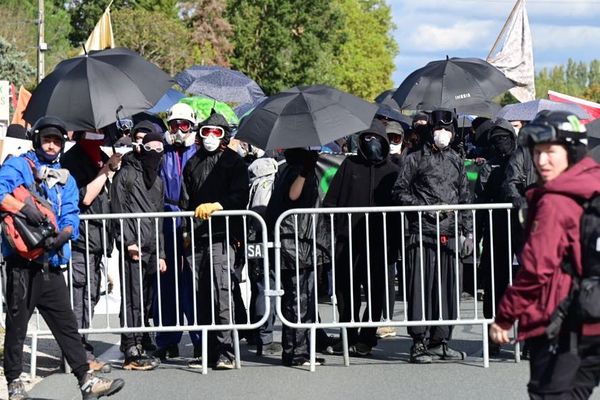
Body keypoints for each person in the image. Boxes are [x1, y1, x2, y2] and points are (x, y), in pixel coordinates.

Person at [0, 116, 124, 400]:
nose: (52, 146)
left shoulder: (65, 177)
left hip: (51, 262)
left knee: (67, 325)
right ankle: (15, 383)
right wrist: (23, 209)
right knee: (18, 325)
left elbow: (71, 213)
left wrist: (65, 233)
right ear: (37, 141)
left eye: (57, 141)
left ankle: (86, 382)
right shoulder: (19, 165)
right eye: (47, 140)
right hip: (21, 263)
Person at [490, 111, 600, 399]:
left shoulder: (555, 201)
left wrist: (505, 316)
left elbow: (536, 269)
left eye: (550, 151)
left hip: (560, 320)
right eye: (537, 152)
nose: (541, 161)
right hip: (591, 317)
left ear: (572, 151)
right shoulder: (592, 186)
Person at [392, 108, 473, 364]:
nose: (443, 134)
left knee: (449, 289)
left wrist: (467, 230)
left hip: (449, 233)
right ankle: (419, 342)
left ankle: (441, 340)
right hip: (422, 233)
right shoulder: (414, 158)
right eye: (439, 129)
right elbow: (399, 192)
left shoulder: (456, 160)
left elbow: (464, 197)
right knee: (420, 288)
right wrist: (424, 209)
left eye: (448, 130)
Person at [323, 119, 400, 356]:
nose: (372, 144)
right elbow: (331, 201)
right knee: (347, 291)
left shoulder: (393, 171)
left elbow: (399, 210)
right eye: (367, 139)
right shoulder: (350, 165)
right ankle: (348, 336)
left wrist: (395, 243)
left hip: (380, 242)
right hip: (348, 243)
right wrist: (335, 232)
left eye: (377, 139)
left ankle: (367, 338)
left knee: (376, 292)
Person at [180, 112, 249, 370]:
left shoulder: (234, 162)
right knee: (202, 294)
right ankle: (207, 349)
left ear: (224, 136)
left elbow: (241, 195)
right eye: (206, 131)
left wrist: (219, 205)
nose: (210, 137)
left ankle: (226, 350)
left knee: (222, 292)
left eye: (216, 132)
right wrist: (186, 235)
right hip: (197, 238)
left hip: (223, 237)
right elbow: (185, 201)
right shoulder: (192, 163)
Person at [61, 129, 122, 372]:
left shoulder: (100, 154)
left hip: (98, 241)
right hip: (81, 241)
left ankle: (80, 350)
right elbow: (84, 197)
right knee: (80, 298)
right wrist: (106, 169)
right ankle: (77, 355)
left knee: (91, 295)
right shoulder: (72, 159)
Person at [152, 103, 204, 366]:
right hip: (168, 218)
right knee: (166, 283)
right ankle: (167, 340)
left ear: (192, 125)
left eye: (183, 125)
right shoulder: (164, 153)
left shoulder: (200, 152)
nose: (178, 130)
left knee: (193, 283)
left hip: (192, 219)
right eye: (174, 125)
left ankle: (198, 340)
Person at [111, 127, 167, 371]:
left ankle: (142, 340)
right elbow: (117, 211)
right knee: (133, 298)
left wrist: (162, 253)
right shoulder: (125, 174)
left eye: (159, 149)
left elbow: (160, 218)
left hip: (153, 247)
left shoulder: (158, 180)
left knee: (146, 299)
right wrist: (128, 241)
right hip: (133, 246)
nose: (154, 153)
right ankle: (130, 346)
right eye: (149, 148)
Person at [266, 148, 327, 366]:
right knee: (299, 300)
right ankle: (297, 352)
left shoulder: (290, 168)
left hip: (300, 242)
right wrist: (305, 172)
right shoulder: (294, 170)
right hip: (295, 244)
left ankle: (299, 350)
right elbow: (293, 196)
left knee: (300, 300)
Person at [473, 119, 516, 355]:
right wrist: (476, 234)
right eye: (496, 139)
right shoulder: (488, 167)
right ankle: (493, 337)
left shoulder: (524, 162)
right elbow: (479, 201)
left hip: (520, 234)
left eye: (505, 137)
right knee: (494, 287)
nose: (501, 143)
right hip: (495, 232)